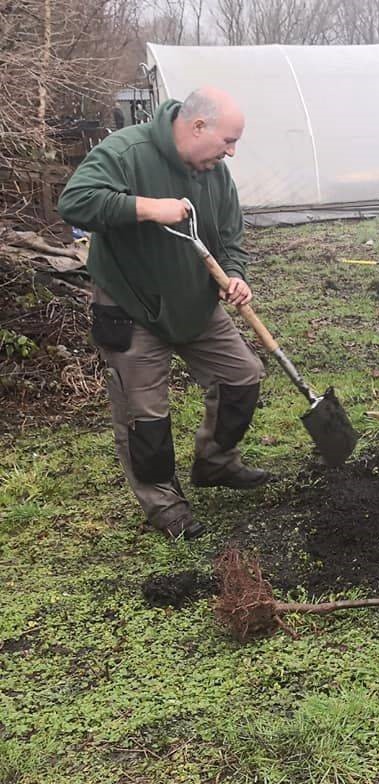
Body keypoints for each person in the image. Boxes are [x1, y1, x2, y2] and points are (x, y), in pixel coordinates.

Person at [58, 87, 269, 540]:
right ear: (197, 127)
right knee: (145, 416)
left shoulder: (213, 173)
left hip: (195, 302)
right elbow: (74, 202)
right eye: (227, 141)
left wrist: (234, 274)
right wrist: (147, 207)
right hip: (131, 305)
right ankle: (164, 507)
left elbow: (230, 232)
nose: (231, 152)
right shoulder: (127, 152)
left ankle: (215, 463)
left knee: (242, 377)